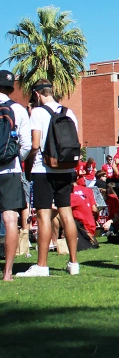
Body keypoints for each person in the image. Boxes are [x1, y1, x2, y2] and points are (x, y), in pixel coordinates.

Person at [17, 79, 80, 277]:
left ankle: (42, 265)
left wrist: (27, 162)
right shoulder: (69, 112)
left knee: (44, 216)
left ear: (37, 94)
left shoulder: (37, 112)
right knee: (66, 213)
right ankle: (74, 262)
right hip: (66, 169)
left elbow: (35, 145)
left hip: (44, 170)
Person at [0, 70, 31, 281]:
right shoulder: (18, 110)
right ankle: (8, 272)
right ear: (11, 89)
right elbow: (27, 145)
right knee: (11, 219)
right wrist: (14, 157)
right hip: (10, 170)